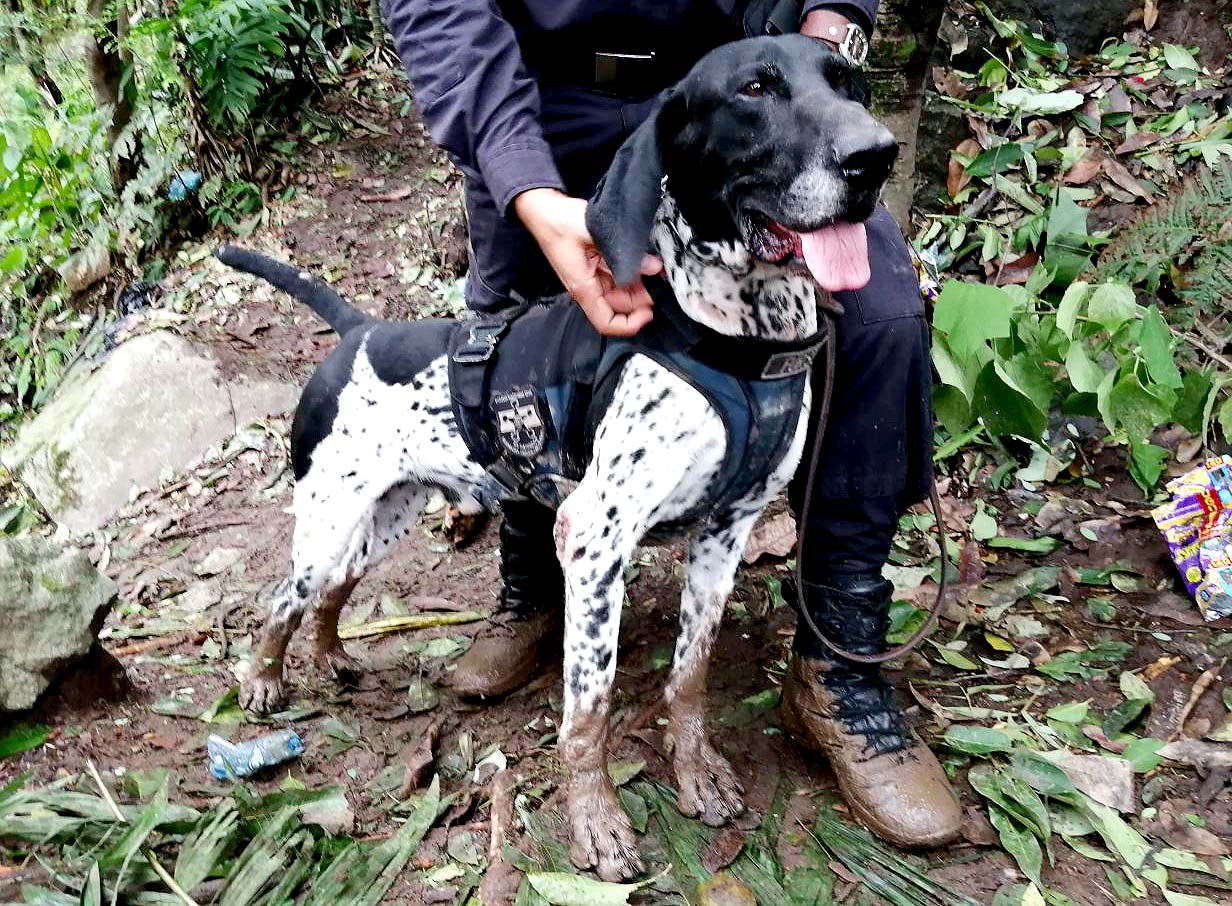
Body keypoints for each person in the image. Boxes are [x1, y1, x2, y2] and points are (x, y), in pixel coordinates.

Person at [382, 0, 962, 849]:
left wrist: (819, 58)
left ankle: (839, 663)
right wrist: (526, 187)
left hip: (738, 88)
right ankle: (534, 589)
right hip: (542, 104)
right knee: (517, 333)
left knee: (881, 320)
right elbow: (442, 14)